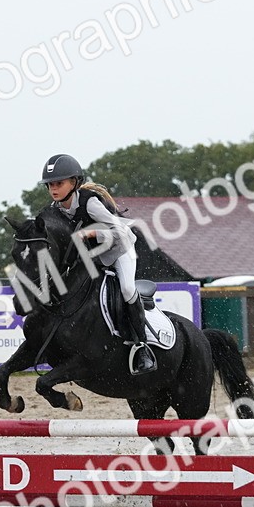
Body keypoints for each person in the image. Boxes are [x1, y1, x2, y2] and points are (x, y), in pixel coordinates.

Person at [40, 153, 156, 375]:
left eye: (59, 183)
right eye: (50, 184)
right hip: (93, 256)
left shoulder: (90, 203)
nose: (53, 189)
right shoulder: (55, 209)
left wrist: (94, 233)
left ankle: (142, 347)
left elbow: (121, 233)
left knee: (127, 288)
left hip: (120, 250)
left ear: (74, 183)